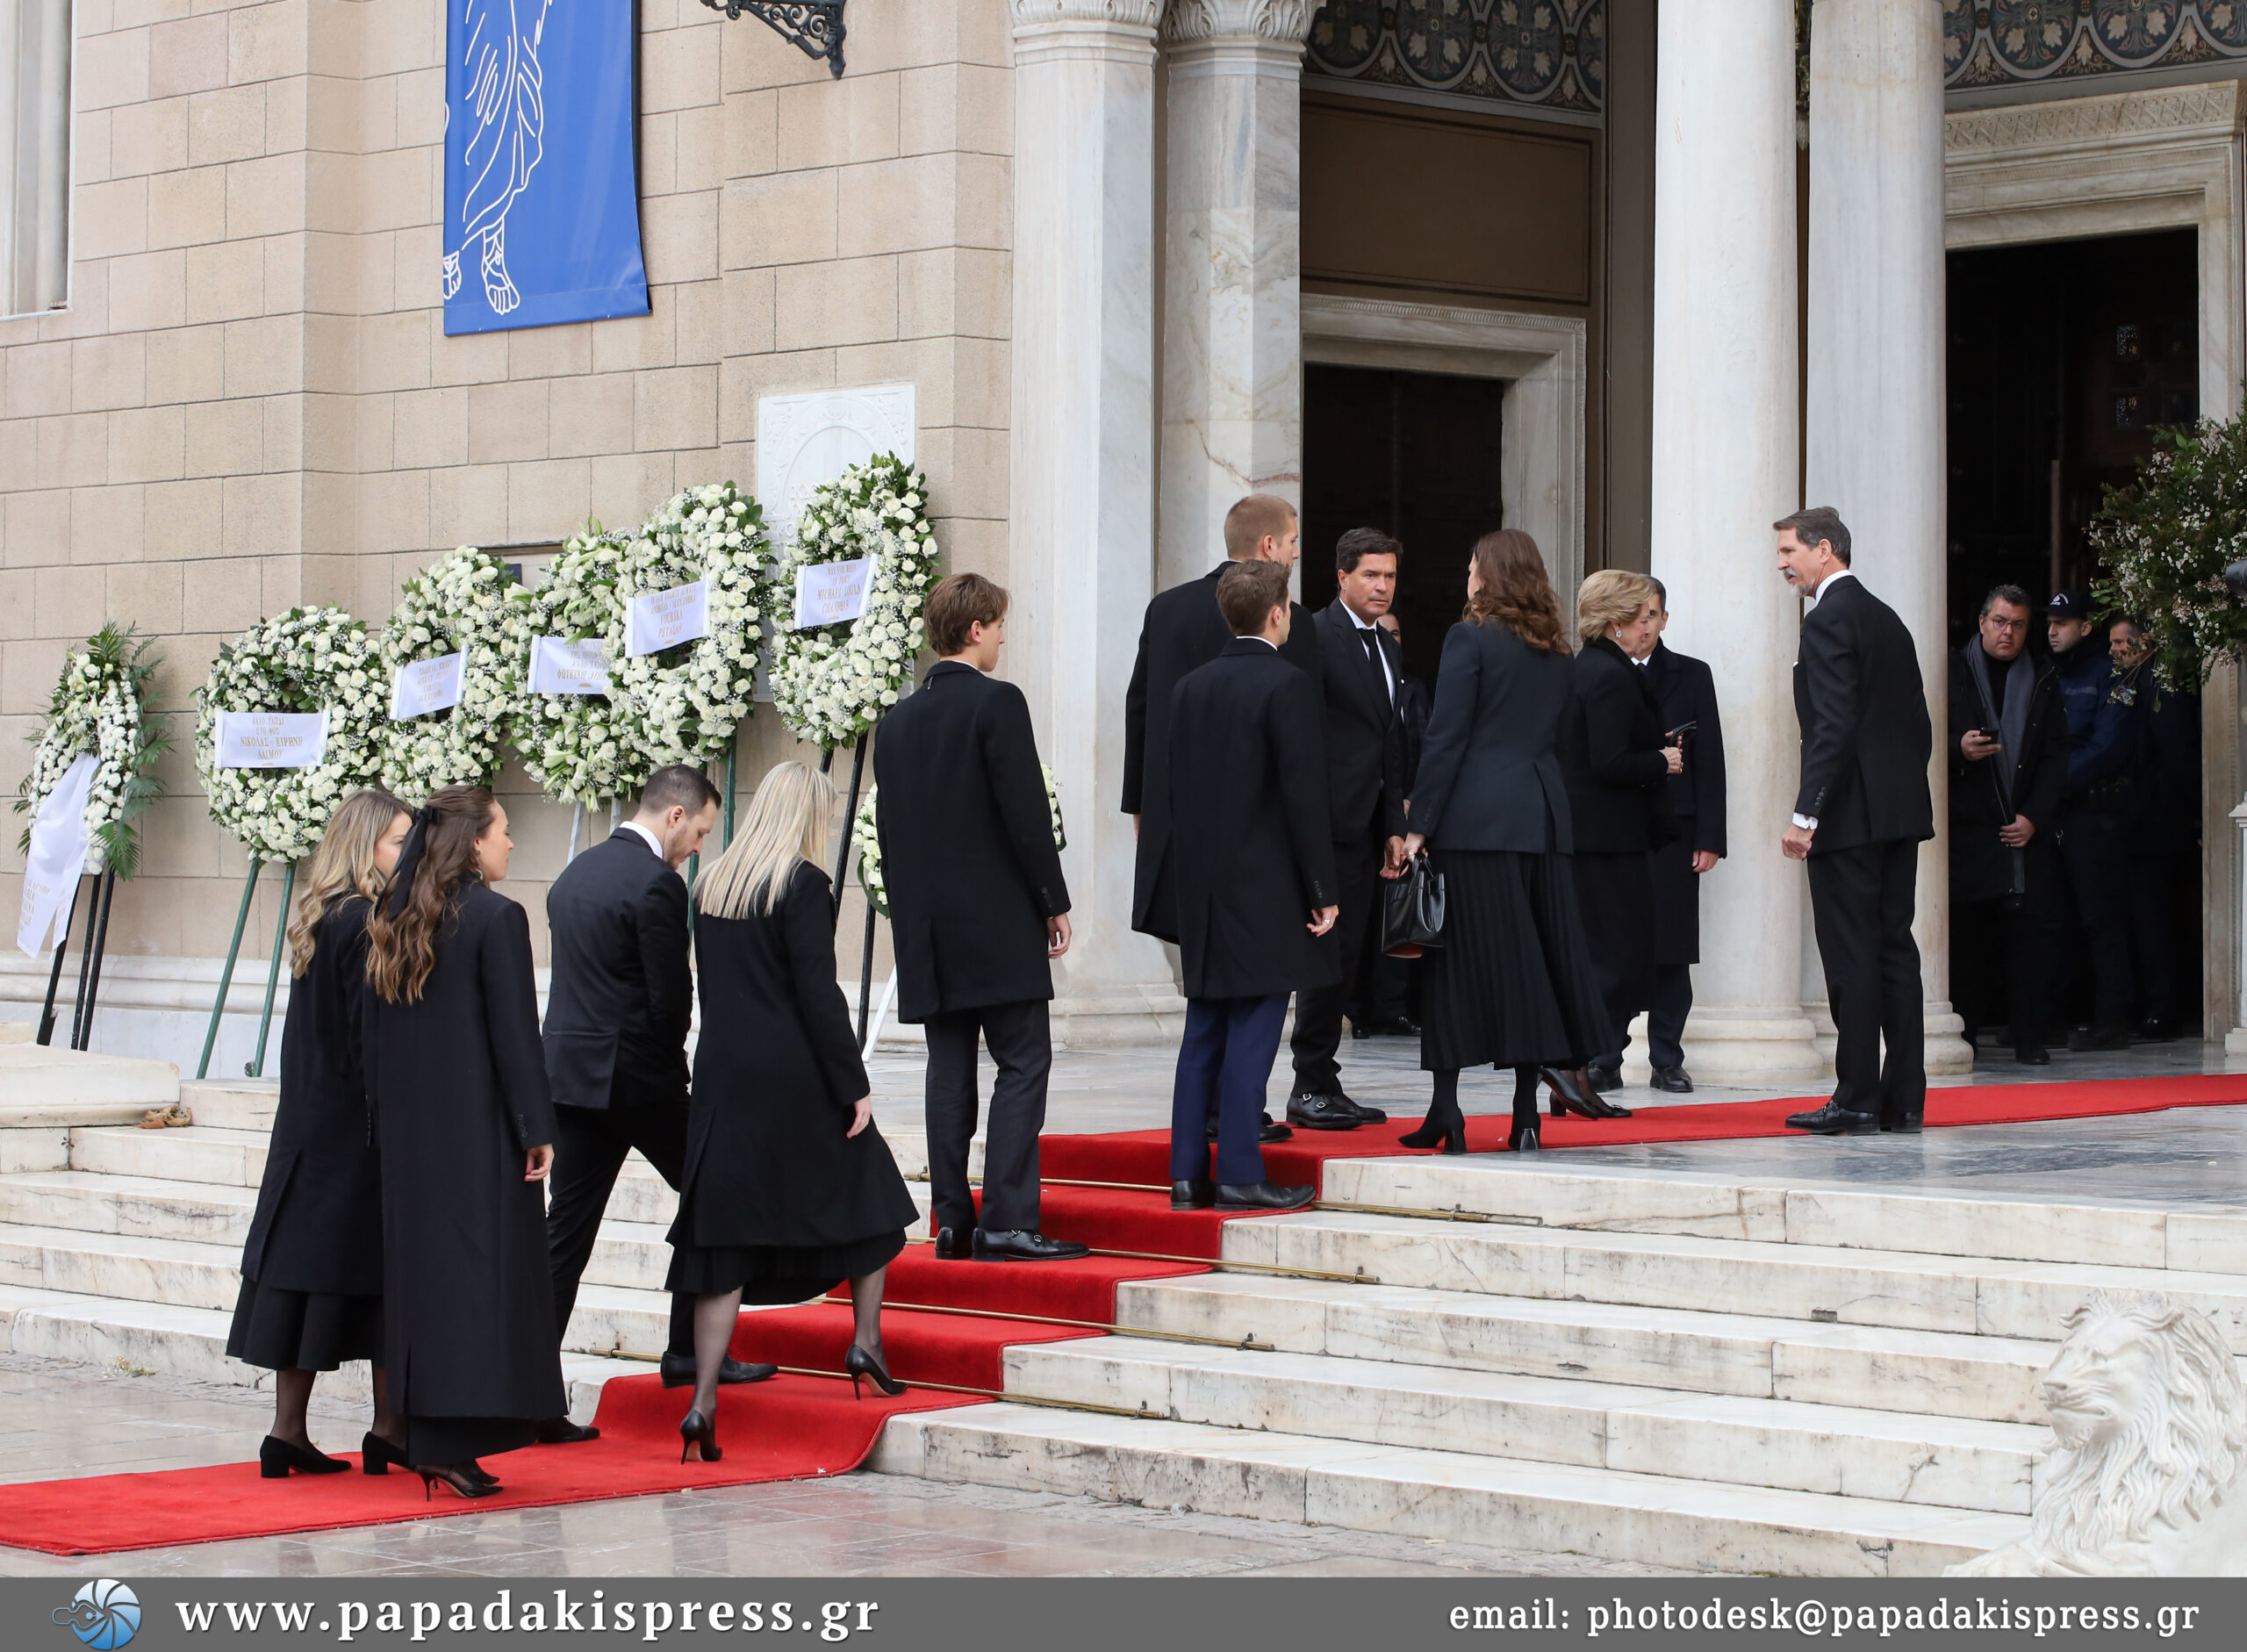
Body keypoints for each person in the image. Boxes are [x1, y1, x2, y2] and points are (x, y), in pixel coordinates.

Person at [670, 763, 919, 1461]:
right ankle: (865, 1343)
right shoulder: (803, 884)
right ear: (808, 815)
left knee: (723, 1239)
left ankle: (702, 1402)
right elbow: (817, 994)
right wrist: (852, 1082)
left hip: (723, 1073)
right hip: (793, 1075)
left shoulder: (713, 883)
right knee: (873, 1194)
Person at [542, 765, 764, 1447]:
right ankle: (690, 1351)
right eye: (699, 833)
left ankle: (529, 1393)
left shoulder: (574, 873)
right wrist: (678, 1073)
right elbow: (671, 998)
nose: (696, 848)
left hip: (571, 1079)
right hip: (638, 1081)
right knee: (717, 1189)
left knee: (564, 1238)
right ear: (675, 816)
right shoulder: (656, 884)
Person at [874, 572, 1087, 1264]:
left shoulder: (896, 722)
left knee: (948, 1069)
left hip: (929, 930)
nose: (1002, 638)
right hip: (995, 923)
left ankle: (950, 1220)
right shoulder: (997, 702)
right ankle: (1008, 1222)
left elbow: (889, 833)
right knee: (1023, 1062)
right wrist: (1053, 900)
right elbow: (1025, 814)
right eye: (998, 626)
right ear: (974, 630)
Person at [363, 786, 564, 1498]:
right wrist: (537, 1130)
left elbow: (374, 1037)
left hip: (411, 1141)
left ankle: (432, 1439)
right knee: (479, 1288)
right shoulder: (496, 917)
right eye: (503, 830)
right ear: (474, 842)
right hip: (478, 1139)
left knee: (427, 1287)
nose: (510, 842)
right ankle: (450, 1443)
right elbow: (516, 1037)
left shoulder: (394, 912)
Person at [1399, 530, 1620, 1154]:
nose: (1467, 576)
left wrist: (1419, 825)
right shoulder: (1555, 650)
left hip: (1477, 823)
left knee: (1453, 967)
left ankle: (1448, 1110)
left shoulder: (1468, 638)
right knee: (1534, 963)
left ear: (1489, 575)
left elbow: (1447, 736)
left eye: (1473, 566)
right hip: (1542, 820)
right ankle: (1526, 1115)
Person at [1122, 492, 1317, 1146]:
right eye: (1293, 541)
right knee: (1252, 989)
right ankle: (1237, 1124)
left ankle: (1203, 1132)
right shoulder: (1292, 622)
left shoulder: (1167, 607)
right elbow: (1302, 748)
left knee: (1205, 991)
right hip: (1262, 845)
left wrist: (1141, 805)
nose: (1296, 553)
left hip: (1181, 825)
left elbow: (1140, 710)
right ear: (1268, 546)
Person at [229, 788, 411, 1478]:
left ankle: (289, 1431)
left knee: (310, 1278)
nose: (408, 854)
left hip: (311, 1122)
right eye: (398, 842)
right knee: (382, 1275)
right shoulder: (365, 920)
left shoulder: (322, 914)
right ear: (366, 847)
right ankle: (389, 1428)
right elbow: (372, 1038)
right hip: (354, 1129)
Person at [1164, 559, 1338, 1211]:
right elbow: (1302, 796)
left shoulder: (1190, 687)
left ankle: (1187, 1174)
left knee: (1203, 1029)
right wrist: (1321, 887)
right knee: (1256, 1028)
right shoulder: (1287, 684)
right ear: (1277, 613)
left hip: (1202, 885)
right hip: (1265, 885)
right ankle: (1238, 1170)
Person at [1776, 507, 1934, 1136]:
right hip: (1897, 813)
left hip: (1847, 817)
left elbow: (1832, 724)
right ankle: (1905, 1099)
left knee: (1852, 958)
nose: (1782, 564)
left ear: (1824, 550)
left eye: (1789, 551)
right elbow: (1918, 724)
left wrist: (1806, 812)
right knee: (1895, 951)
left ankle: (1858, 1097)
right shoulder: (1888, 618)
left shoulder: (1828, 619)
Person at [1285, 527, 1408, 1131]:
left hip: (1367, 827)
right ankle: (1309, 1084)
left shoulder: (1388, 646)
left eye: (1389, 576)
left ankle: (1323, 1079)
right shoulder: (1312, 634)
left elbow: (1390, 741)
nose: (1382, 586)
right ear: (1342, 577)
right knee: (1324, 956)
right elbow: (1301, 733)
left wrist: (1395, 823)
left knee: (1349, 956)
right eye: (1371, 575)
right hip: (1324, 824)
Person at [1564, 569, 1679, 1095]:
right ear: (1616, 623)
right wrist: (1661, 759)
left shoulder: (1587, 667)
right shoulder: (1610, 675)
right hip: (1608, 842)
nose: (1647, 626)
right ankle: (1586, 1069)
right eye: (1640, 617)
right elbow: (1607, 760)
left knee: (1607, 957)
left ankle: (1584, 1071)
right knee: (1615, 960)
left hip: (1596, 840)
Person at [1949, 585, 2067, 1065]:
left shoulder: (2043, 676)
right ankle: (1966, 1037)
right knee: (1968, 943)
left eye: (2017, 625)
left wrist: (2033, 817)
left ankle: (2028, 1037)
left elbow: (2056, 756)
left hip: (2022, 830)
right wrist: (1960, 749)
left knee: (2026, 942)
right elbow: (1924, 736)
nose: (2007, 632)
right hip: (1971, 829)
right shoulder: (1952, 670)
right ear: (1982, 623)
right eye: (1999, 622)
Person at [2044, 590, 2145, 1052]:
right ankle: (2050, 1017)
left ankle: (2111, 1019)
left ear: (2085, 628)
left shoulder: (2111, 674)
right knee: (2054, 918)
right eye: (2050, 623)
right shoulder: (2047, 673)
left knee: (2101, 919)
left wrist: (2050, 783)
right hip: (2054, 812)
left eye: (2062, 623)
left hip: (2093, 812)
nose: (2052, 631)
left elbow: (2108, 747)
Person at [1642, 580, 1727, 1093]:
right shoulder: (1600, 671)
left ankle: (1666, 1058)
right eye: (1636, 614)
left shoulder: (1692, 674)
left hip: (1677, 828)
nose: (1644, 624)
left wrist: (1710, 836)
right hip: (1618, 829)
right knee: (1614, 944)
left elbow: (1710, 758)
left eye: (1653, 614)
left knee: (1672, 948)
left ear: (1665, 619)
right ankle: (1604, 1055)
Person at [2108, 614, 2198, 1040]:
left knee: (2156, 922)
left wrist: (2156, 806)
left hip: (2158, 828)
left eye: (2120, 643)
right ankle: (2150, 1005)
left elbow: (2177, 758)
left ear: (2144, 644)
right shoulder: (2131, 682)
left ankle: (2164, 1010)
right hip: (2141, 823)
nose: (2113, 650)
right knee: (2141, 921)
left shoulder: (2161, 687)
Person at [1353, 611, 1429, 1039]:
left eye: (1395, 633)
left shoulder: (1413, 690)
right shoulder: (1355, 683)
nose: (1389, 640)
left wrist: (1413, 801)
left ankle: (1392, 1006)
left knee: (1399, 913)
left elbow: (1424, 744)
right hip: (1360, 815)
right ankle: (1358, 1009)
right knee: (1359, 918)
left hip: (1403, 817)